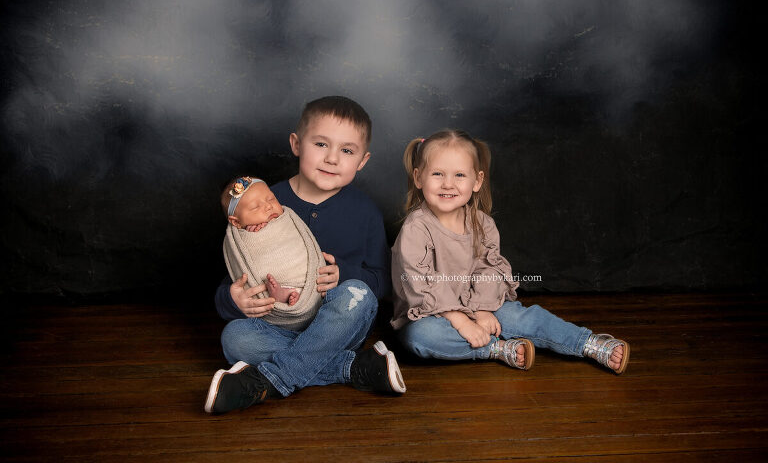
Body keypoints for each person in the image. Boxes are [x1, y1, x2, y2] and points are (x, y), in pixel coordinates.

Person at [205, 96, 406, 415]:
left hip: (340, 324)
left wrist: (346, 272)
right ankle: (353, 369)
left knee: (358, 293)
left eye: (347, 150)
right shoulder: (264, 202)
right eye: (321, 144)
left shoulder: (365, 211)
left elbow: (382, 283)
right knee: (235, 338)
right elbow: (230, 279)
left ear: (362, 161)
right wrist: (234, 299)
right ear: (296, 144)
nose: (332, 159)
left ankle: (265, 382)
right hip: (280, 326)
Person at [390, 129, 630, 374]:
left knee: (522, 317)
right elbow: (419, 282)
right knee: (419, 337)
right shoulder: (416, 228)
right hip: (433, 312)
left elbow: (490, 268)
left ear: (477, 181)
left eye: (459, 175)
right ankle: (495, 348)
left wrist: (482, 310)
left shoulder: (482, 224)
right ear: (419, 178)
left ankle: (584, 342)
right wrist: (461, 321)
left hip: (477, 302)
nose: (448, 184)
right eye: (438, 174)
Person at [221, 176, 324, 325]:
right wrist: (252, 237)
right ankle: (283, 294)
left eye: (271, 199)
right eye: (255, 207)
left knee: (353, 293)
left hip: (311, 288)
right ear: (236, 222)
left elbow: (298, 243)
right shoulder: (240, 237)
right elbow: (245, 263)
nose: (268, 207)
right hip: (270, 305)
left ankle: (293, 293)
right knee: (233, 334)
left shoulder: (287, 217)